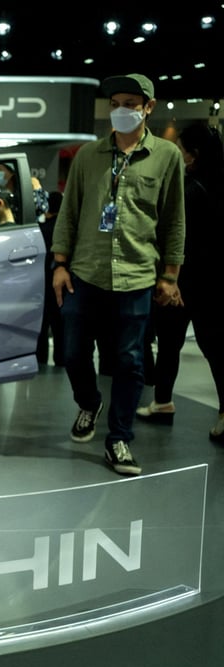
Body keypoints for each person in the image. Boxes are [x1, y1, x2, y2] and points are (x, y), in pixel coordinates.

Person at [50, 73, 186, 476]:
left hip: (137, 274)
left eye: (129, 103)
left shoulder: (166, 156)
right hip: (85, 272)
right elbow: (69, 212)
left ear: (149, 107)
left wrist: (170, 275)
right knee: (73, 353)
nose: (120, 110)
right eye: (114, 104)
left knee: (129, 361)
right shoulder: (88, 155)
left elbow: (174, 219)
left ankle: (119, 438)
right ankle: (89, 402)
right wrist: (59, 264)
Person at [136, 121, 224, 442]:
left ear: (193, 155)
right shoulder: (216, 184)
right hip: (211, 280)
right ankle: (165, 402)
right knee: (207, 346)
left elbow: (173, 233)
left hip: (184, 279)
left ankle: (164, 402)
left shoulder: (188, 190)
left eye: (181, 149)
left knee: (176, 343)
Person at [36, 190, 65, 366]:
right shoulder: (62, 229)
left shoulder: (40, 229)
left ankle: (41, 360)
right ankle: (61, 361)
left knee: (41, 326)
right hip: (59, 282)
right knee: (60, 326)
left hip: (40, 282)